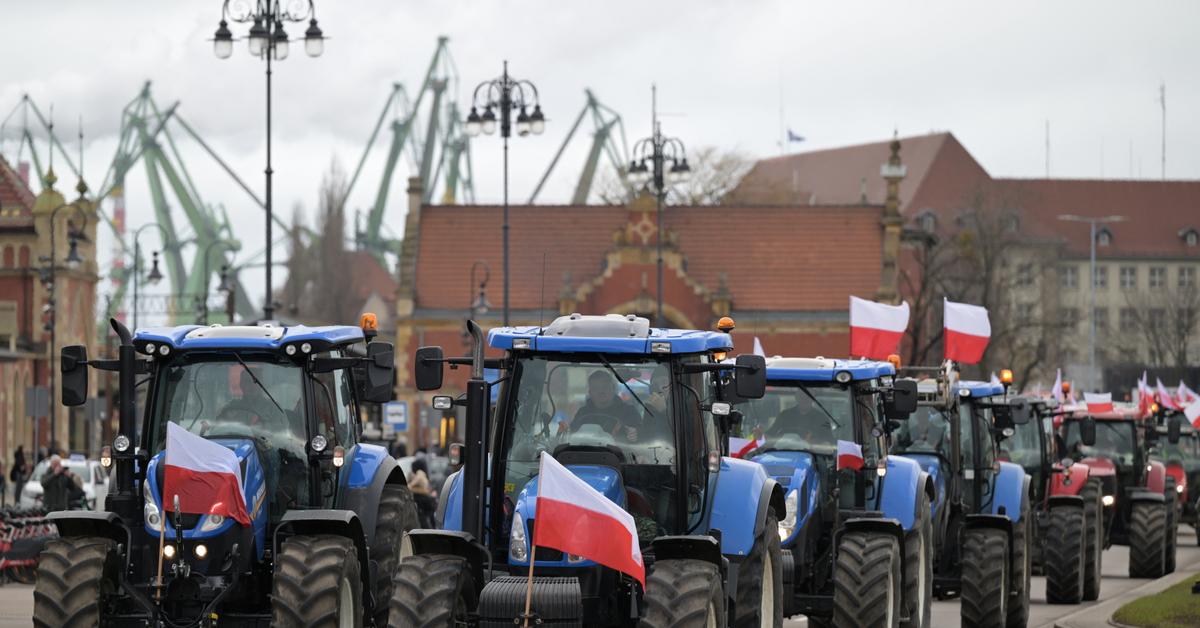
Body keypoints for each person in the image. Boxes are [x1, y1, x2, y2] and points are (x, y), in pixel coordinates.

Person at [571, 371, 642, 443]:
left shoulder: (629, 412)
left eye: (605, 387)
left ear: (613, 388)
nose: (601, 391)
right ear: (590, 392)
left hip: (621, 453)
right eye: (595, 388)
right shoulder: (582, 413)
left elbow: (644, 438)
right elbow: (572, 435)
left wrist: (636, 433)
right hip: (585, 452)